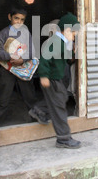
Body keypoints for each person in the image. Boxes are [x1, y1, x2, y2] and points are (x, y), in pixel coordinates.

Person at [30, 12, 81, 149]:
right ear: (68, 30)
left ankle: (38, 110)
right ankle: (63, 138)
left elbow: (63, 61)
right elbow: (44, 60)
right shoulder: (55, 42)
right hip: (51, 79)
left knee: (61, 98)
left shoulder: (63, 43)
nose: (75, 36)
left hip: (56, 79)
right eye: (74, 33)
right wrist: (44, 76)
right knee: (59, 108)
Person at [0, 7, 37, 129]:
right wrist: (10, 56)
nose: (19, 22)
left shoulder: (26, 32)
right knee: (2, 97)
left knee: (29, 95)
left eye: (22, 20)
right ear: (10, 17)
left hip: (23, 69)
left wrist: (22, 59)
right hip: (7, 69)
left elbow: (32, 50)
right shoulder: (4, 33)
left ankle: (36, 118)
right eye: (16, 18)